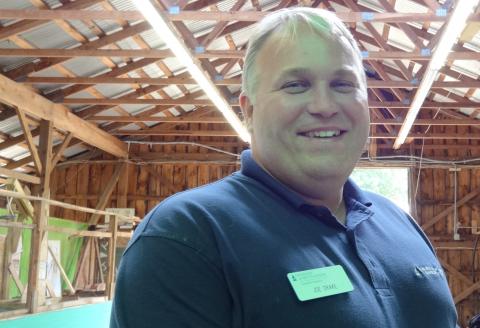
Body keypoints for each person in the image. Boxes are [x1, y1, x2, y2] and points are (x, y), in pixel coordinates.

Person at [110, 7, 458, 327]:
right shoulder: (187, 236)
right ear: (248, 110)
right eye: (296, 85)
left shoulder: (398, 222)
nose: (324, 105)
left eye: (343, 84)